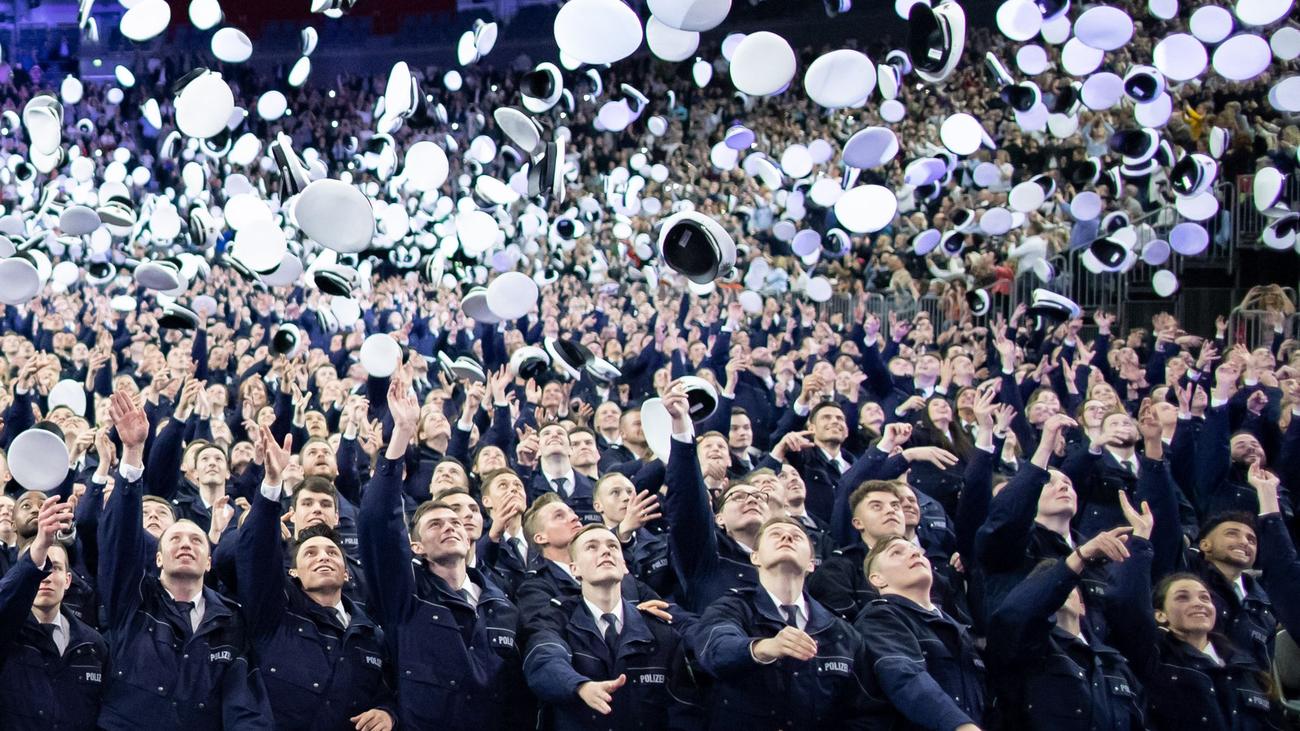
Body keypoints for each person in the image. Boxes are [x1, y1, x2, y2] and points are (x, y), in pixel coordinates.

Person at [358, 374, 528, 730]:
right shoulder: (406, 595)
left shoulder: (501, 603)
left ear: (469, 537)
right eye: (435, 524)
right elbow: (377, 521)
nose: (450, 526)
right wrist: (402, 434)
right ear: (416, 547)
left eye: (455, 522)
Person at [96, 390, 271, 730]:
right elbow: (121, 542)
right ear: (158, 558)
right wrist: (131, 453)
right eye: (174, 539)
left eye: (196, 540)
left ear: (209, 562)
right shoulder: (132, 599)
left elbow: (244, 704)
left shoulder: (231, 619)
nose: (186, 544)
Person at [236, 424, 394, 731]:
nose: (323, 557)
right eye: (310, 553)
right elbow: (255, 556)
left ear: (347, 573)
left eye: (332, 552)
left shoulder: (370, 633)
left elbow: (389, 688)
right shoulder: (274, 613)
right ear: (293, 571)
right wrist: (272, 483)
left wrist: (388, 712)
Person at [689, 516, 887, 730]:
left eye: (796, 536)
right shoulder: (732, 607)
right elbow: (714, 650)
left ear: (811, 564)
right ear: (755, 557)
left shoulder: (841, 632)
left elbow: (867, 711)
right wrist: (763, 647)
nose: (786, 537)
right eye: (775, 534)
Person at [986, 497, 1150, 731]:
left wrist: (1140, 541)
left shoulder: (1114, 664)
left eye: (1068, 589)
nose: (1059, 594)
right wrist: (1080, 556)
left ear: (1082, 605)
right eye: (1052, 589)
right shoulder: (1023, 649)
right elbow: (1014, 616)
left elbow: (1132, 612)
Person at [523, 524, 697, 730]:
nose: (605, 551)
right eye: (592, 547)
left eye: (613, 546)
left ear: (624, 565)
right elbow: (543, 660)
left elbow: (684, 709)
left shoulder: (660, 632)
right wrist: (579, 686)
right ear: (574, 569)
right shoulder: (555, 619)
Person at [0, 494, 109, 729]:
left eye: (55, 568)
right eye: (41, 567)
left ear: (68, 580)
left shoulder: (93, 644)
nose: (46, 576)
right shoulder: (7, 633)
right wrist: (37, 552)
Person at [857, 535, 987, 731]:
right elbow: (905, 677)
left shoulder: (959, 628)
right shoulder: (879, 618)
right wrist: (960, 725)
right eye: (896, 553)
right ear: (877, 579)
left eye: (916, 550)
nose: (914, 553)